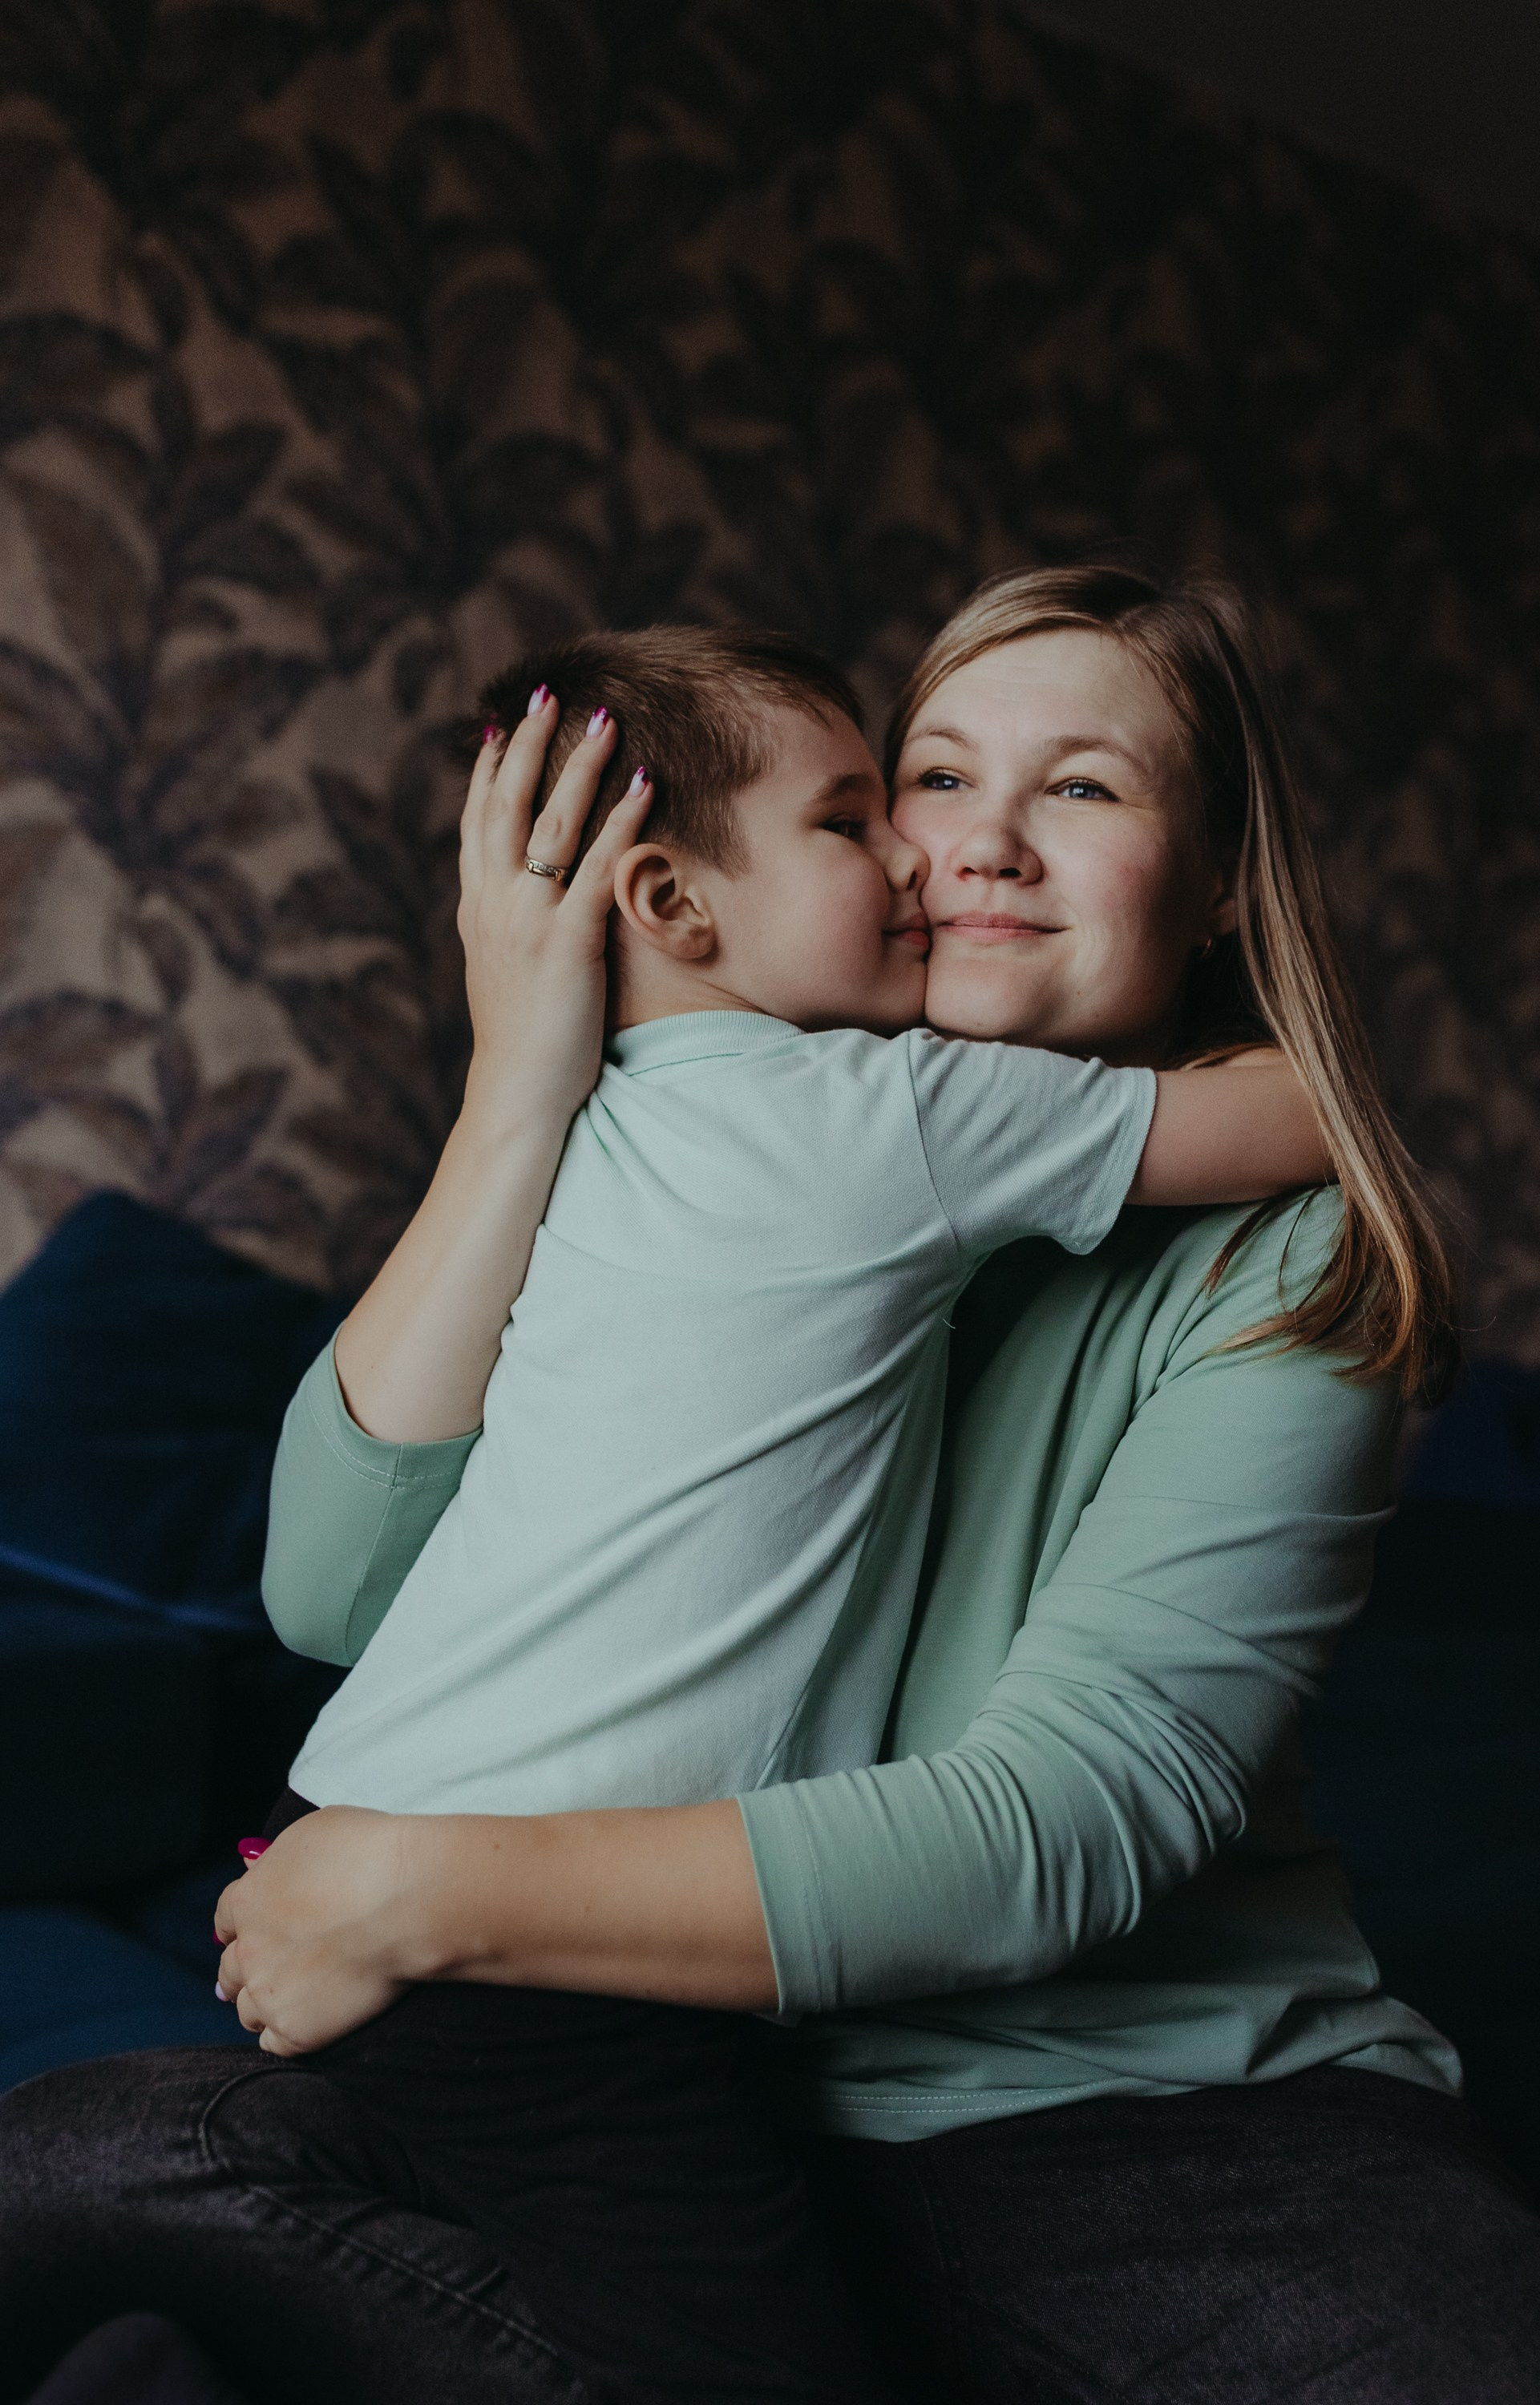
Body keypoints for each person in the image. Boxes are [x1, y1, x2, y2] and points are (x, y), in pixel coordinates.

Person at [3, 564, 1540, 2405]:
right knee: (76, 2156)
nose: (977, 845)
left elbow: (1058, 1831)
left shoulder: (1262, 1253)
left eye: (1080, 790)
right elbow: (334, 1593)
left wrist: (419, 1886)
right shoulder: (729, 1137)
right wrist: (519, 1081)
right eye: (928, 778)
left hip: (1116, 2116)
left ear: (1224, 874)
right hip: (678, 2061)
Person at [240, 620, 1324, 2405]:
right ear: (668, 904)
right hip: (549, 1966)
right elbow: (1300, 1121)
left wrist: (530, 1068)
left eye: (1078, 787)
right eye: (879, 807)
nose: (926, 854)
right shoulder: (881, 1117)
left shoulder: (614, 1135)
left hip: (390, 1835)